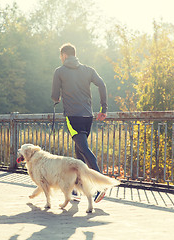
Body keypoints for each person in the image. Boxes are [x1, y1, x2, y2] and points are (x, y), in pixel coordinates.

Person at [51, 43, 108, 203]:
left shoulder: (59, 71)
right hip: (87, 117)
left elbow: (54, 96)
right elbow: (102, 84)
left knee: (84, 149)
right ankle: (76, 189)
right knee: (78, 152)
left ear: (63, 55)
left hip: (73, 117)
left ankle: (100, 185)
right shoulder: (88, 70)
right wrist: (104, 108)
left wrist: (58, 98)